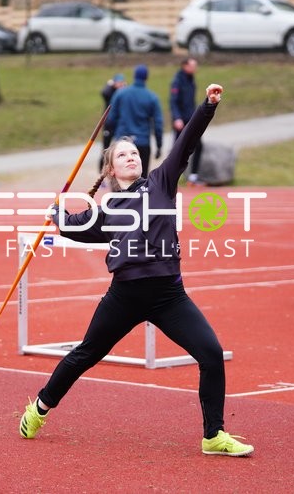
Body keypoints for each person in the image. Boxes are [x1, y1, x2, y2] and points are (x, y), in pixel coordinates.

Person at [18, 83, 254, 458]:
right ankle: (40, 408)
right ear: (111, 168)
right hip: (124, 296)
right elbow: (79, 226)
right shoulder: (109, 208)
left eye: (134, 153)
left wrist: (207, 106)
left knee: (211, 354)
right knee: (85, 354)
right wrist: (57, 215)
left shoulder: (161, 182)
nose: (131, 158)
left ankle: (214, 436)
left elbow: (187, 141)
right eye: (123, 155)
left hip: (168, 296)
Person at [107, 64, 164, 178]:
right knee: (141, 180)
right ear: (146, 77)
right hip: (142, 142)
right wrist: (159, 145)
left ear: (134, 76)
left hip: (121, 141)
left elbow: (111, 118)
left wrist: (110, 138)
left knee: (119, 178)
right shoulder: (152, 97)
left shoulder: (121, 94)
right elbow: (158, 123)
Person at [169, 57, 204, 185]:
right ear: (185, 66)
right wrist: (177, 118)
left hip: (191, 120)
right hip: (181, 122)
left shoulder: (191, 80)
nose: (195, 68)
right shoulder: (177, 81)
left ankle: (193, 177)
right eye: (193, 65)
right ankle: (171, 176)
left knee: (198, 146)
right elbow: (173, 102)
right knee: (178, 150)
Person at [99, 73, 126, 171]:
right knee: (105, 149)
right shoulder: (109, 91)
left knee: (119, 149)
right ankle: (101, 172)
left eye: (122, 82)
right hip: (108, 124)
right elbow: (103, 93)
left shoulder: (124, 92)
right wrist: (109, 84)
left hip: (118, 125)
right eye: (118, 82)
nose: (120, 85)